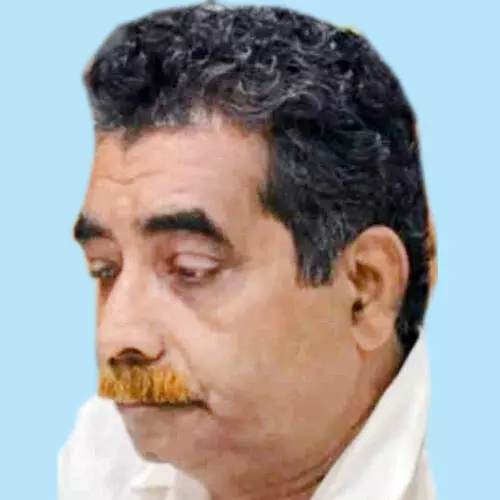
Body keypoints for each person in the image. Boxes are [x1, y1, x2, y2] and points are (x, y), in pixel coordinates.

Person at [59, 3, 438, 499]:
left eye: (191, 269)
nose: (116, 337)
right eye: (104, 269)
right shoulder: (103, 459)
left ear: (365, 290)